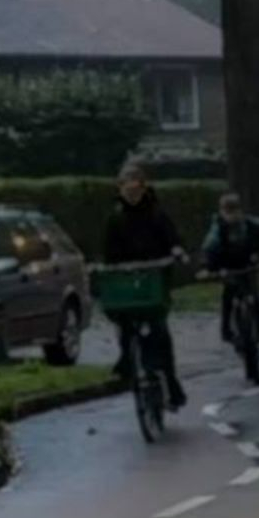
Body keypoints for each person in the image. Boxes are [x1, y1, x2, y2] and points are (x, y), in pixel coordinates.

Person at [102, 159, 189, 410]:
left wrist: (176, 250)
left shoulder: (156, 213)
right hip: (127, 281)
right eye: (127, 190)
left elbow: (171, 238)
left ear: (144, 188)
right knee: (124, 322)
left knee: (159, 331)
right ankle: (127, 362)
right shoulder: (114, 218)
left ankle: (171, 385)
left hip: (154, 279)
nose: (132, 194)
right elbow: (109, 253)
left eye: (136, 189)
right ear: (120, 189)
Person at [202, 192, 259, 380]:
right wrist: (211, 268)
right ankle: (226, 331)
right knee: (228, 296)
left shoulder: (251, 225)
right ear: (221, 212)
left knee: (256, 303)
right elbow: (210, 247)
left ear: (241, 210)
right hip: (228, 269)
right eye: (228, 211)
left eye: (235, 210)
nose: (232, 215)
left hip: (248, 267)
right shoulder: (218, 228)